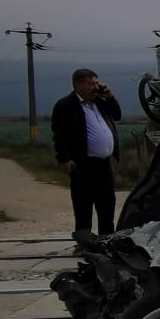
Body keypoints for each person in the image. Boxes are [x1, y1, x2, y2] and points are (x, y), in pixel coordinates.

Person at [51, 67, 122, 236]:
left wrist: (110, 97)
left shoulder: (99, 102)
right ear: (79, 85)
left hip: (103, 163)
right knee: (83, 203)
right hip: (83, 162)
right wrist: (64, 159)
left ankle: (106, 238)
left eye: (96, 83)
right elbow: (58, 135)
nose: (95, 87)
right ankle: (84, 239)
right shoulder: (65, 106)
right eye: (91, 84)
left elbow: (117, 115)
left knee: (107, 203)